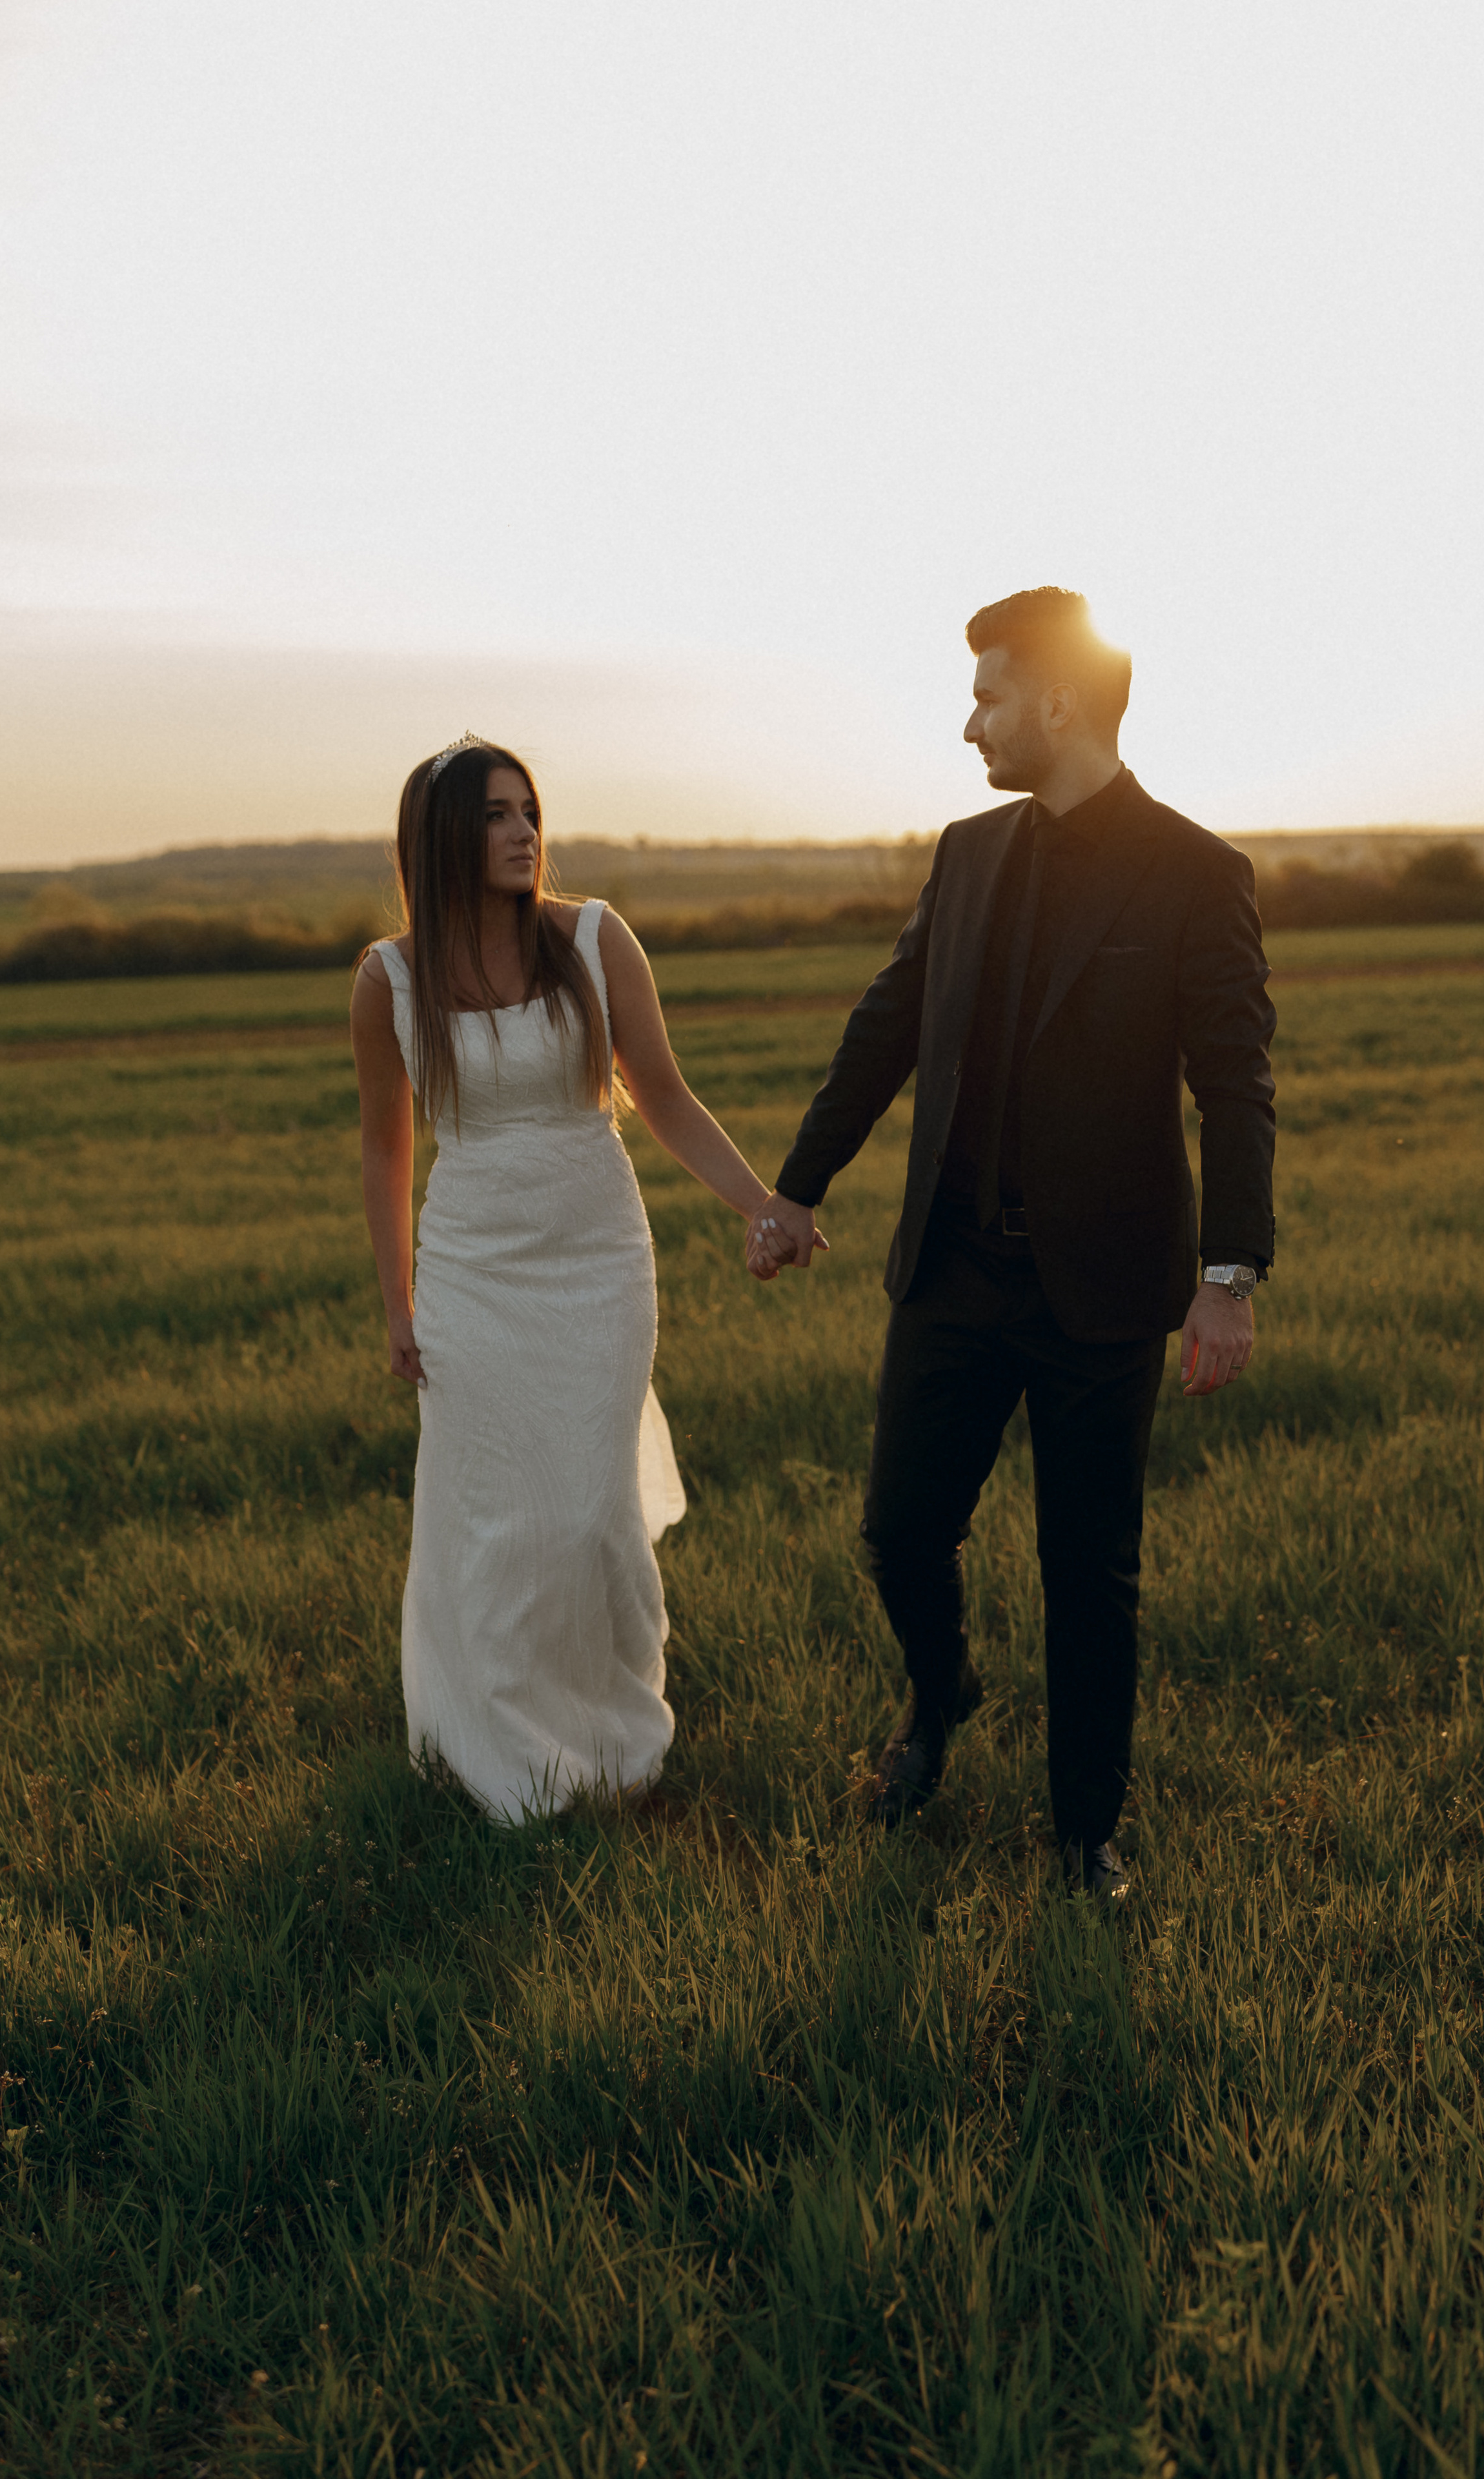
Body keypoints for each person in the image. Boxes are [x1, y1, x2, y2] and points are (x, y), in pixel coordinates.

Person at [747, 591, 1276, 1899]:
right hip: (953, 1271)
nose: (970, 722)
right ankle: (940, 1697)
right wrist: (797, 1190)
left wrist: (1226, 1279)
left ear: (1056, 702)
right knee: (899, 1533)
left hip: (1105, 1289)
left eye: (987, 696)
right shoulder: (967, 853)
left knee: (1089, 1573)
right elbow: (887, 1025)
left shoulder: (1197, 872)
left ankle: (1086, 1834)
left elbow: (1234, 1087)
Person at [351, 732, 783, 1821]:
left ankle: (620, 1750)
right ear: (443, 838)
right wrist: (399, 1305)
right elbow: (386, 1150)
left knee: (593, 1520)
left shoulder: (594, 939)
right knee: (501, 1522)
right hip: (471, 1276)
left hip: (598, 1262)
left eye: (530, 811)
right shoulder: (388, 978)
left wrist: (760, 1203)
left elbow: (664, 1094)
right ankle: (515, 1759)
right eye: (496, 815)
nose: (524, 833)